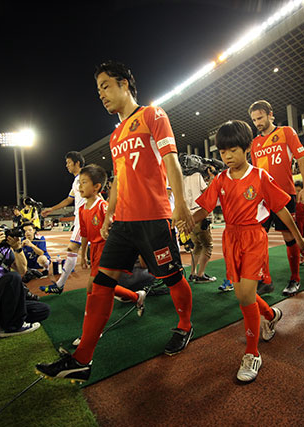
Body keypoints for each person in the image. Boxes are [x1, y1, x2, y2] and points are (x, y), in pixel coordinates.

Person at [35, 60, 194, 382]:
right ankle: (82, 358)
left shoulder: (152, 115)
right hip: (122, 222)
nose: (101, 95)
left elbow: (171, 160)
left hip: (154, 217)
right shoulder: (116, 134)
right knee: (101, 284)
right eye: (98, 90)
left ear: (124, 84)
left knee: (172, 276)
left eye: (105, 86)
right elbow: (119, 179)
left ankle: (185, 325)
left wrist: (181, 206)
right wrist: (109, 214)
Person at [191, 120, 304, 382]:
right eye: (222, 152)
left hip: (254, 237)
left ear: (247, 148)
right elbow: (204, 209)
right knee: (244, 296)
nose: (228, 156)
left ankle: (252, 353)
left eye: (233, 150)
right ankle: (271, 314)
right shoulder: (220, 179)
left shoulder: (260, 177)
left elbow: (280, 208)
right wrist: (186, 218)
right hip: (231, 238)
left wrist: (298, 238)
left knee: (245, 297)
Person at [69, 164, 147, 346]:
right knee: (106, 288)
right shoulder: (81, 210)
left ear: (97, 187)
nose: (80, 186)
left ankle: (91, 331)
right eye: (79, 183)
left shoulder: (104, 207)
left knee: (92, 289)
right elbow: (86, 234)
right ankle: (137, 297)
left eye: (84, 182)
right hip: (94, 251)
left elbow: (117, 230)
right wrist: (83, 255)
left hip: (107, 251)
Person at [249, 100, 304, 297]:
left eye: (260, 118)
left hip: (284, 193)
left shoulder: (286, 132)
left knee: (289, 237)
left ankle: (295, 278)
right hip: (262, 198)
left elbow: (302, 159)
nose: (257, 123)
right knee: (258, 238)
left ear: (270, 115)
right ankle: (264, 280)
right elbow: (255, 171)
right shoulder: (255, 143)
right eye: (254, 120)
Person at [40, 151, 86, 294]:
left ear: (77, 163)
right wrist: (51, 209)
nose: (66, 166)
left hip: (84, 217)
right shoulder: (76, 181)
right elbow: (68, 200)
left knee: (72, 249)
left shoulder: (85, 177)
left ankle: (60, 285)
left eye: (68, 163)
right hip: (82, 217)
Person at [183, 168, 216, 283]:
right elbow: (207, 192)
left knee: (197, 246)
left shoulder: (183, 178)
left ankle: (193, 273)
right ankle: (200, 275)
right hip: (199, 214)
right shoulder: (197, 175)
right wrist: (212, 178)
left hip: (189, 217)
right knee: (208, 245)